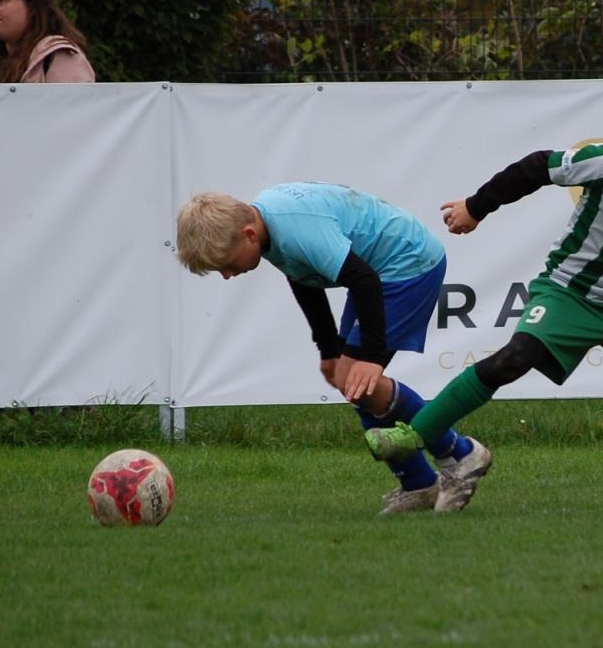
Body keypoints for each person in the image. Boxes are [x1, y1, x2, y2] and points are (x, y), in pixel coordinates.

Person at [366, 81, 603, 513]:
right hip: (569, 290)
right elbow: (536, 167)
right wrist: (477, 207)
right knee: (513, 357)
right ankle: (413, 437)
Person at [175, 186, 491, 515]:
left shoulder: (295, 229)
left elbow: (363, 280)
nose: (226, 275)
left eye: (225, 264)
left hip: (408, 265)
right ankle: (420, 484)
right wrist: (327, 349)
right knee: (350, 380)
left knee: (357, 379)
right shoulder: (266, 228)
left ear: (249, 234)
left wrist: (371, 357)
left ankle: (459, 454)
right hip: (377, 270)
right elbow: (303, 278)